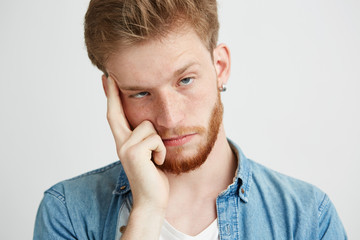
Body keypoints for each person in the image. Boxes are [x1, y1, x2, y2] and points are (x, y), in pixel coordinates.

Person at [33, 0, 347, 239]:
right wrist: (147, 211)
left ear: (220, 66)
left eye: (185, 80)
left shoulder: (307, 218)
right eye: (140, 93)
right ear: (112, 94)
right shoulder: (68, 212)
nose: (170, 118)